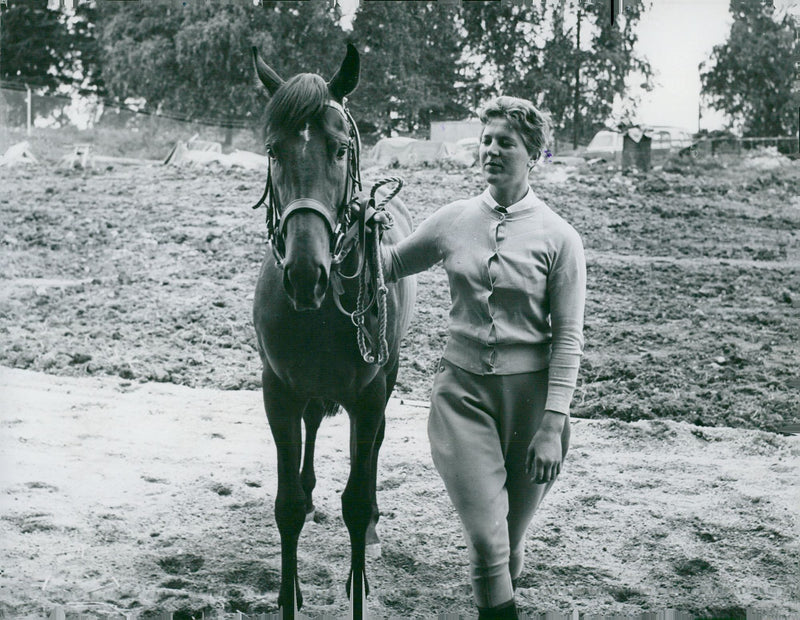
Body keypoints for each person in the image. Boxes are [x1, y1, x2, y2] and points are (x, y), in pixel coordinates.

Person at [379, 96, 586, 619]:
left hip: (533, 406)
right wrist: (352, 227)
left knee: (510, 542)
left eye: (506, 143)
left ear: (533, 154)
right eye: (486, 141)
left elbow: (568, 337)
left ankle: (508, 566)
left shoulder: (561, 239)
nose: (492, 150)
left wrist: (551, 423)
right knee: (487, 544)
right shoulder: (453, 221)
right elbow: (388, 266)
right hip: (462, 398)